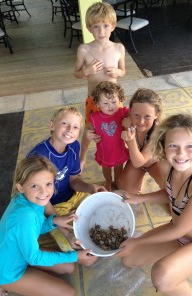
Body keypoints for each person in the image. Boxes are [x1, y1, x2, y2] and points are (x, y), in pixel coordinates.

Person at [116, 113, 192, 296]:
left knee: (162, 277)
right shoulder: (166, 166)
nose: (180, 154)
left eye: (189, 147)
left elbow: (179, 229)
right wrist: (139, 198)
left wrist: (137, 241)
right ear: (163, 146)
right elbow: (171, 193)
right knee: (129, 259)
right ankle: (182, 259)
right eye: (173, 146)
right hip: (179, 234)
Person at [0, 157, 97, 296]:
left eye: (48, 184)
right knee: (68, 294)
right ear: (20, 187)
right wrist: (76, 256)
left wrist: (55, 220)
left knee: (69, 267)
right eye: (35, 186)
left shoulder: (26, 201)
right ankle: (2, 283)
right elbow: (34, 257)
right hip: (7, 272)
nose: (44, 192)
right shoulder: (25, 216)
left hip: (20, 253)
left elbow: (33, 229)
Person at [26, 106, 106, 250]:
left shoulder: (74, 146)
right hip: (51, 205)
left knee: (102, 211)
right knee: (73, 243)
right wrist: (62, 227)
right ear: (52, 125)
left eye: (75, 127)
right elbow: (40, 198)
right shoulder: (39, 157)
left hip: (72, 195)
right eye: (65, 123)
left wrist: (90, 188)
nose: (70, 129)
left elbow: (73, 180)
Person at [74, 2, 125, 171]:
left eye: (105, 26)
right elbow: (76, 73)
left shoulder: (119, 48)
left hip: (114, 101)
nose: (101, 31)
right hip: (94, 100)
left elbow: (123, 71)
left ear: (113, 26)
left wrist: (117, 72)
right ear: (89, 28)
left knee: (117, 129)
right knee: (90, 129)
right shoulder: (84, 49)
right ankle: (82, 158)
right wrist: (86, 71)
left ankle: (118, 153)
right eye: (96, 27)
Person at [117, 88, 163, 194]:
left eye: (147, 116)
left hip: (156, 163)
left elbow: (138, 162)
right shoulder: (128, 121)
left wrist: (131, 140)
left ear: (156, 115)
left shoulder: (158, 132)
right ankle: (139, 179)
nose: (141, 122)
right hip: (137, 159)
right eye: (136, 115)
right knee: (124, 189)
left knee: (170, 187)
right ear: (130, 111)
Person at [86, 81, 129, 191]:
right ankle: (108, 181)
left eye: (114, 102)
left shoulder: (122, 112)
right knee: (106, 169)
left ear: (120, 100)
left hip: (119, 149)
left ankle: (118, 181)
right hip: (104, 151)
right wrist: (89, 134)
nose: (110, 106)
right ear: (97, 104)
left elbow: (134, 114)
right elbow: (89, 128)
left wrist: (130, 122)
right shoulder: (94, 117)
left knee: (119, 168)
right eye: (105, 103)